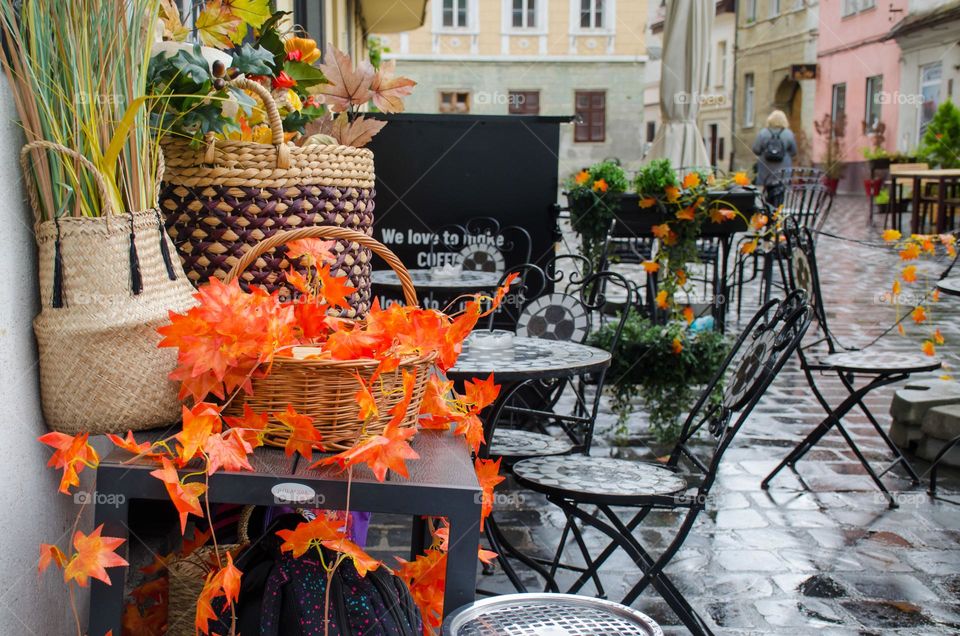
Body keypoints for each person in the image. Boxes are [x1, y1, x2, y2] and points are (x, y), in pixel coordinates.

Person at [752, 110, 797, 206]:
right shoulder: (788, 134)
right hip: (783, 170)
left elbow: (756, 149)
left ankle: (768, 209)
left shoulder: (763, 133)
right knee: (780, 192)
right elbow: (794, 152)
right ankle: (777, 211)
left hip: (766, 169)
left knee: (767, 191)